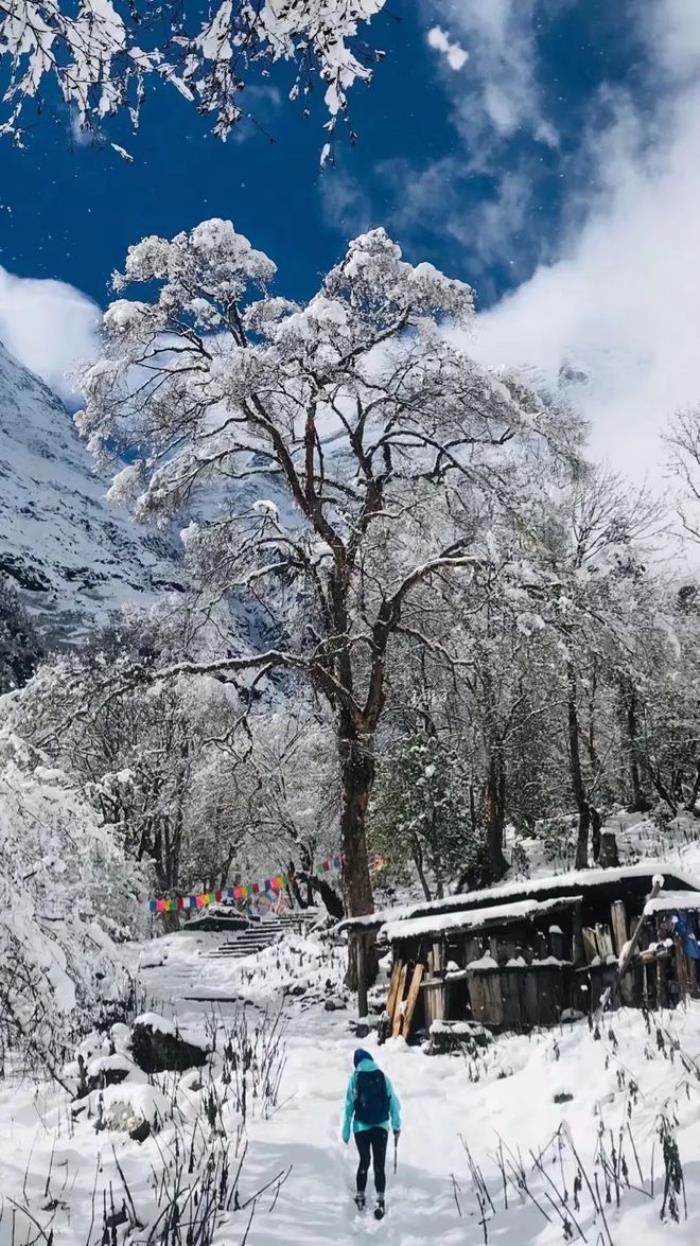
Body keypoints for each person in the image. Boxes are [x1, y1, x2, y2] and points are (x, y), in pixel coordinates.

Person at [342, 1047, 401, 1216]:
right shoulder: (383, 1077)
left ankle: (360, 1196)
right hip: (381, 1126)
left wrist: (346, 1132)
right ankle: (380, 1199)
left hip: (361, 1127)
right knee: (379, 1164)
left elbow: (348, 1106)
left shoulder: (355, 1078)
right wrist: (396, 1125)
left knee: (364, 1160)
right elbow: (394, 1104)